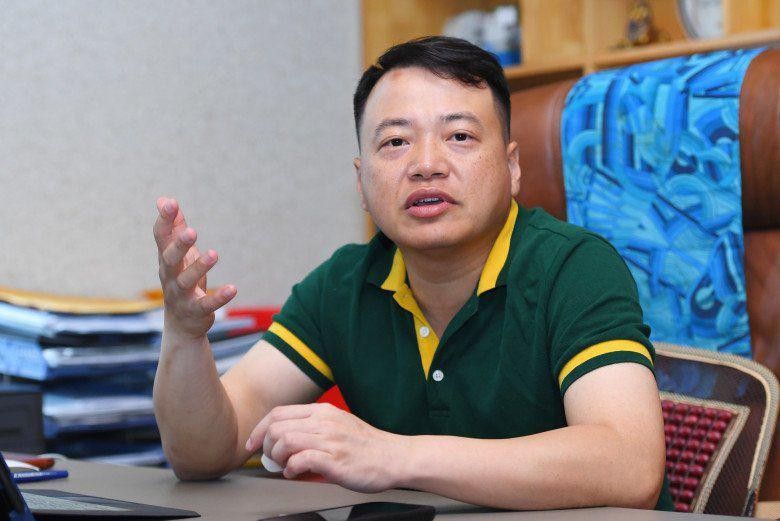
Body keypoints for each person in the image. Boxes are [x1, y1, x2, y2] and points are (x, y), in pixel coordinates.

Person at [152, 36, 672, 511]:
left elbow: (629, 465)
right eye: (396, 142)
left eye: (459, 136)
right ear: (362, 183)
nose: (426, 164)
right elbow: (204, 453)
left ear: (512, 167)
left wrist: (393, 456)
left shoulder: (574, 268)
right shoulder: (343, 285)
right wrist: (184, 334)